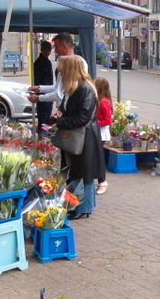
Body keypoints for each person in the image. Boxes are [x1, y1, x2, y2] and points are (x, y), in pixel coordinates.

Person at [48, 55, 105, 220]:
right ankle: (82, 205)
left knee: (85, 172)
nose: (60, 72)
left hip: (84, 137)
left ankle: (85, 207)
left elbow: (82, 118)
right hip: (79, 136)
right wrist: (61, 113)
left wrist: (60, 120)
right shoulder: (77, 87)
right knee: (79, 171)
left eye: (62, 69)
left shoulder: (84, 88)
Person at [27, 32, 88, 105]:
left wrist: (39, 98)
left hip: (70, 110)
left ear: (64, 46)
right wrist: (39, 89)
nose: (55, 51)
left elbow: (59, 94)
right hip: (64, 109)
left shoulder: (75, 64)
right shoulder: (67, 63)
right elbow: (58, 88)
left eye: (56, 47)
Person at [93, 77, 112, 195]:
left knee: (99, 158)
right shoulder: (99, 100)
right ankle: (101, 180)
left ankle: (102, 181)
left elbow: (108, 120)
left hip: (101, 133)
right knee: (97, 157)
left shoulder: (104, 102)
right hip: (97, 132)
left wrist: (95, 124)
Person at [33, 40, 54, 132]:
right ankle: (42, 134)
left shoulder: (45, 62)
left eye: (48, 50)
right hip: (43, 92)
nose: (47, 52)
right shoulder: (41, 62)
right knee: (43, 116)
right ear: (41, 50)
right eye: (45, 50)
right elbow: (41, 80)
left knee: (44, 115)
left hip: (45, 92)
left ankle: (42, 133)